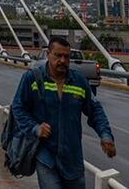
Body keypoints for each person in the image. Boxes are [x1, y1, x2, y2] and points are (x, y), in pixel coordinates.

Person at [11, 36, 116, 188]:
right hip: (46, 156)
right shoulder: (32, 79)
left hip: (72, 159)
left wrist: (105, 135)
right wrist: (35, 128)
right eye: (58, 55)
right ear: (48, 54)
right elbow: (18, 108)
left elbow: (95, 111)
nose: (62, 60)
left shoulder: (79, 81)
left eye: (66, 56)